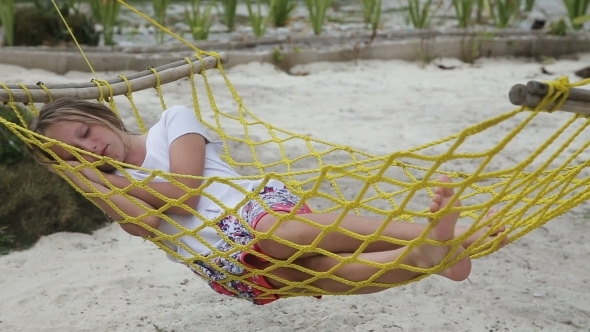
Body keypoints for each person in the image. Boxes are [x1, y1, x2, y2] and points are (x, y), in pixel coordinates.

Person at [28, 98, 508, 305]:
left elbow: (183, 195)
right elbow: (141, 227)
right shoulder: (106, 186)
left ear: (98, 114)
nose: (89, 149)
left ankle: (443, 238)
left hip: (255, 213)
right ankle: (426, 256)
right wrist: (88, 181)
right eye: (74, 152)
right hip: (224, 260)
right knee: (332, 274)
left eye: (85, 134)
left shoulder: (170, 124)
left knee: (281, 235)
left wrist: (109, 183)